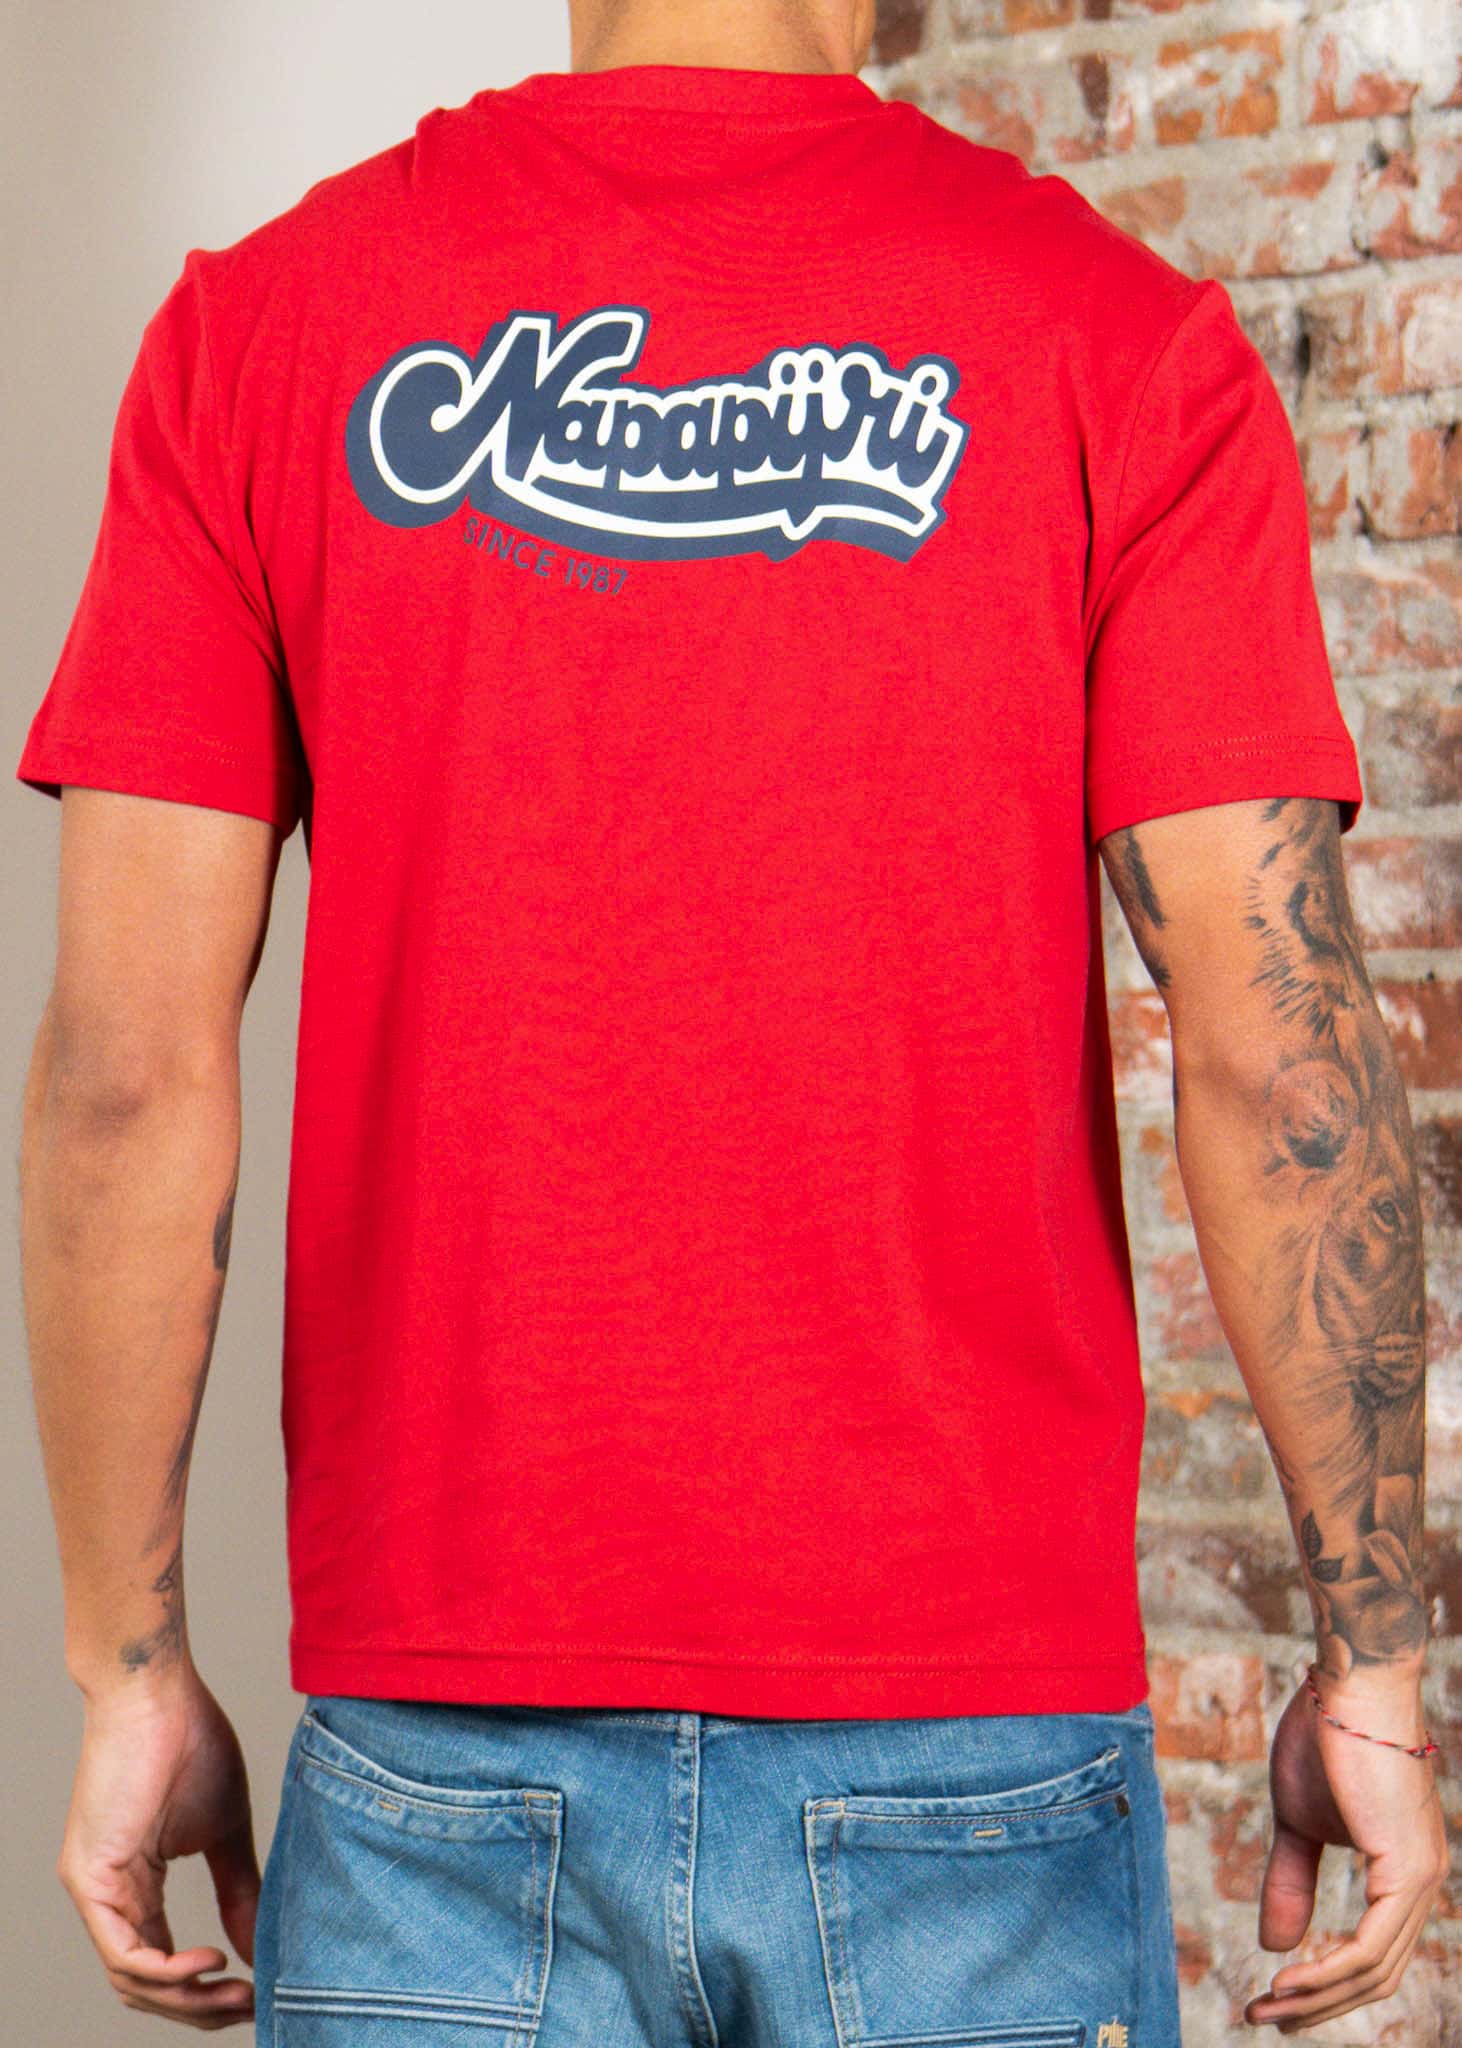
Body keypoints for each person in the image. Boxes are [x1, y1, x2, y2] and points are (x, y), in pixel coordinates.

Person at [15, 0, 1446, 2040]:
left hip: (440, 1775)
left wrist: (129, 1667)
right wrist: (1370, 1665)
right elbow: (1278, 1052)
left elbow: (123, 1079)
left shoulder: (265, 330)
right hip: (965, 1762)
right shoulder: (1116, 340)